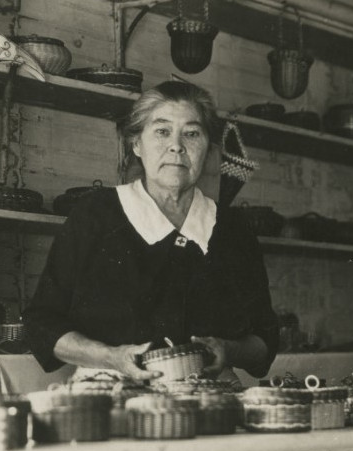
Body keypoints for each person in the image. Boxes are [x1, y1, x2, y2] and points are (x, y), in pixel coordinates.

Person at [23, 80, 278, 381]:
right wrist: (111, 357)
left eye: (192, 133)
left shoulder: (233, 230)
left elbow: (265, 340)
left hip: (212, 399)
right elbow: (42, 323)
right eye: (162, 131)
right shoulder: (96, 214)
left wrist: (229, 350)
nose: (177, 145)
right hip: (109, 394)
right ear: (136, 144)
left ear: (208, 149)